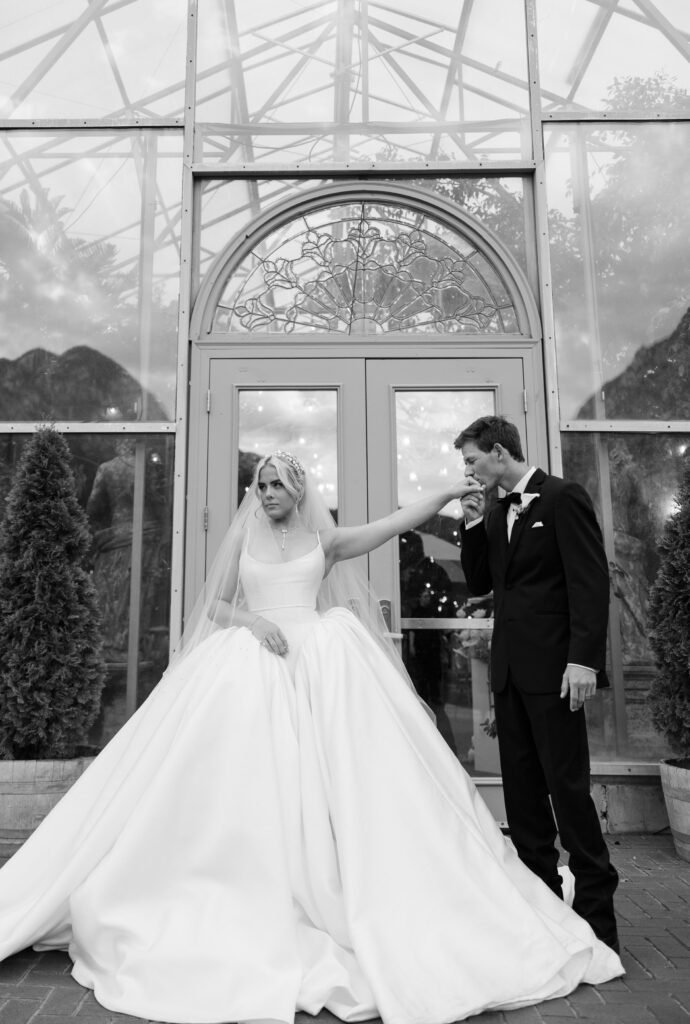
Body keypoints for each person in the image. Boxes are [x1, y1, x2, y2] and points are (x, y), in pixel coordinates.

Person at [0, 450, 623, 1024]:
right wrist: (253, 623)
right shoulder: (244, 534)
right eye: (260, 484)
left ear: (298, 491)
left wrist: (443, 494)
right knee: (237, 789)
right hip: (250, 667)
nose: (265, 492)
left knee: (335, 784)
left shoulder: (325, 541)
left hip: (322, 670)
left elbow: (393, 522)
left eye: (276, 485)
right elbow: (215, 604)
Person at [455, 416, 620, 955]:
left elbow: (590, 583)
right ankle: (543, 916)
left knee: (567, 792)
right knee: (524, 803)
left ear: (499, 453)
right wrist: (474, 524)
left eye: (473, 462)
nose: (470, 473)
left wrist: (583, 662)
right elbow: (482, 585)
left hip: (557, 675)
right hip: (510, 676)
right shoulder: (498, 510)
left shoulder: (562, 498)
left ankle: (598, 922)